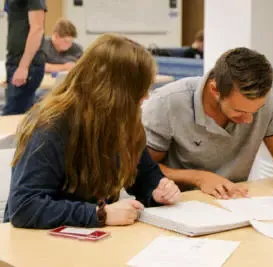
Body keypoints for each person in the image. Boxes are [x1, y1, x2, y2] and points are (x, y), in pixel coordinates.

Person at [4, 34, 180, 229]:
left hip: (93, 238)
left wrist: (158, 191)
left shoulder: (123, 122)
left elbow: (145, 177)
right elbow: (24, 207)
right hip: (38, 240)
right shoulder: (52, 126)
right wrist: (99, 214)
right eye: (139, 89)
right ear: (114, 91)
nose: (146, 96)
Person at [142, 47, 273, 200]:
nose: (249, 120)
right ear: (215, 90)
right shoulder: (168, 102)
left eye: (256, 110)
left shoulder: (265, 98)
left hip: (235, 202)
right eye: (240, 111)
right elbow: (142, 168)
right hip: (180, 204)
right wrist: (199, 178)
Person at [3, 0, 46, 115]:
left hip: (26, 65)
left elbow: (37, 29)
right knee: (18, 114)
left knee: (11, 116)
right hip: (14, 61)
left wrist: (23, 67)